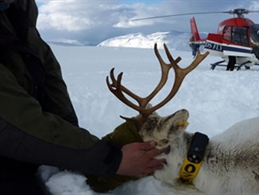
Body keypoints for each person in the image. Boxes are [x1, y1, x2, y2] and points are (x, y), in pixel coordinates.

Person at [0, 0, 167, 194]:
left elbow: (49, 77)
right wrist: (111, 159)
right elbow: (11, 122)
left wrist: (71, 141)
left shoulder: (16, 12)